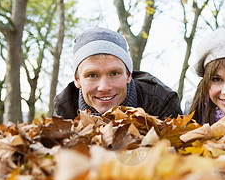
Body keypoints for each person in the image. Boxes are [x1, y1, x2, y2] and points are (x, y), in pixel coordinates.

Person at [53, 27, 182, 120]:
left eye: (114, 73)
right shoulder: (66, 107)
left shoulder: (159, 100)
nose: (104, 87)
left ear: (129, 75)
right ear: (77, 80)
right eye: (92, 75)